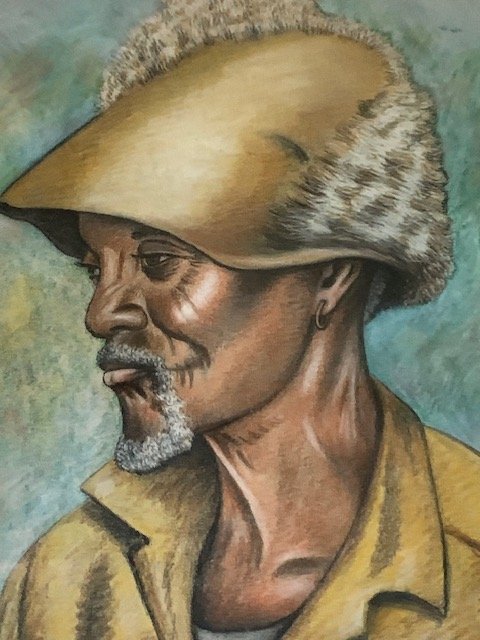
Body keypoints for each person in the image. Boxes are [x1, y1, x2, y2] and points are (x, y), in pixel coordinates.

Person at [0, 1, 479, 638]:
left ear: (332, 276)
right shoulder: (68, 575)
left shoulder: (468, 564)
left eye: (159, 261)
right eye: (96, 270)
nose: (101, 313)